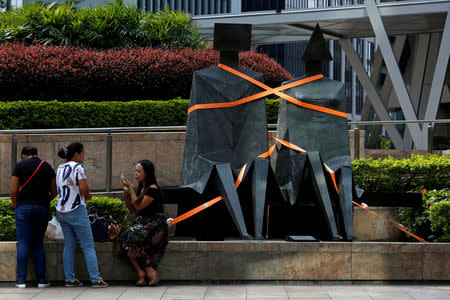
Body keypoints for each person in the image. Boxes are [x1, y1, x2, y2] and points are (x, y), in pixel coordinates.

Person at [55, 142, 108, 288]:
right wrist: (89, 196)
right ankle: (96, 279)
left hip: (61, 210)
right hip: (77, 209)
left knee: (69, 245)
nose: (84, 156)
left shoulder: (60, 168)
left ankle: (70, 279)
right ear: (77, 154)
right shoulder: (78, 167)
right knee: (88, 246)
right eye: (83, 153)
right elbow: (84, 190)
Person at [10, 146, 58, 288]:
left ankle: (21, 281)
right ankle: (42, 281)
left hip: (23, 208)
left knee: (24, 243)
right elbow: (54, 191)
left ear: (24, 155)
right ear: (36, 154)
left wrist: (15, 204)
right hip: (42, 208)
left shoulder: (20, 166)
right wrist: (44, 202)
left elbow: (13, 191)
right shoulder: (46, 166)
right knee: (38, 243)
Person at [120, 160, 168, 286]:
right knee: (126, 236)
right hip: (142, 223)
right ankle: (140, 272)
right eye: (135, 171)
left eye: (139, 171)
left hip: (156, 224)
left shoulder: (152, 189)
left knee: (135, 235)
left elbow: (139, 207)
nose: (136, 174)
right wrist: (126, 195)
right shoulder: (142, 188)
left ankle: (149, 270)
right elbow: (133, 210)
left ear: (147, 173)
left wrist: (131, 190)